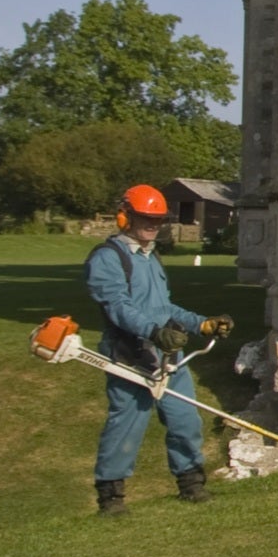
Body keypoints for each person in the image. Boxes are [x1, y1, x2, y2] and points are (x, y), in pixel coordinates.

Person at [87, 183, 231, 515]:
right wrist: (154, 332)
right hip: (129, 355)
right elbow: (118, 307)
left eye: (158, 220)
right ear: (124, 217)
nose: (153, 226)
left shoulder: (151, 257)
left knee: (185, 420)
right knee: (127, 424)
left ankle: (191, 484)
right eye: (145, 219)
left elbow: (164, 307)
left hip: (168, 355)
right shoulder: (108, 259)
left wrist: (201, 324)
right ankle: (111, 497)